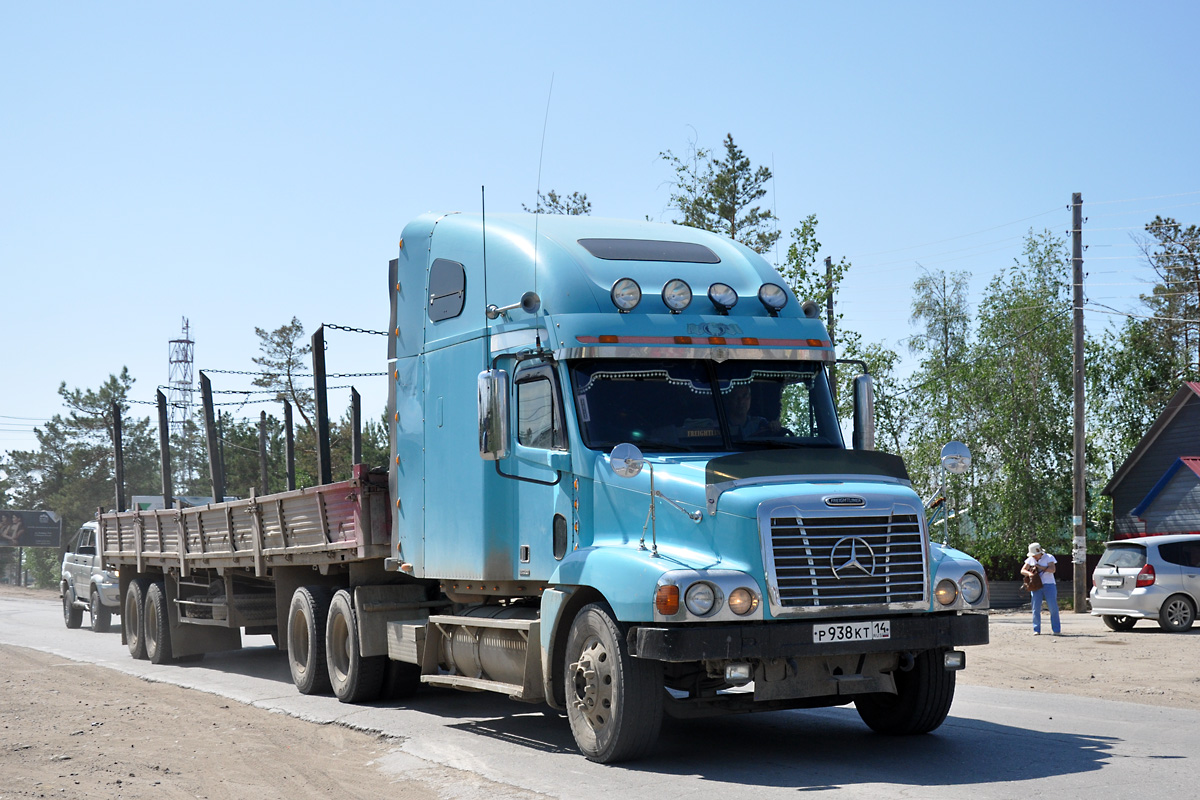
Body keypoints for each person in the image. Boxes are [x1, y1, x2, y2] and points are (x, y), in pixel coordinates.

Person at [1022, 542, 1061, 635]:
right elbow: (1023, 570)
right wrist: (1030, 574)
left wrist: (1039, 567)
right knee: (1035, 608)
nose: (1034, 557)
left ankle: (1056, 629)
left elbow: (1052, 569)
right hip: (1036, 585)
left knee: (1053, 608)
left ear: (1040, 552)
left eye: (1035, 555)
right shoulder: (1030, 559)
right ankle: (1036, 629)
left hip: (1049, 585)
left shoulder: (1049, 557)